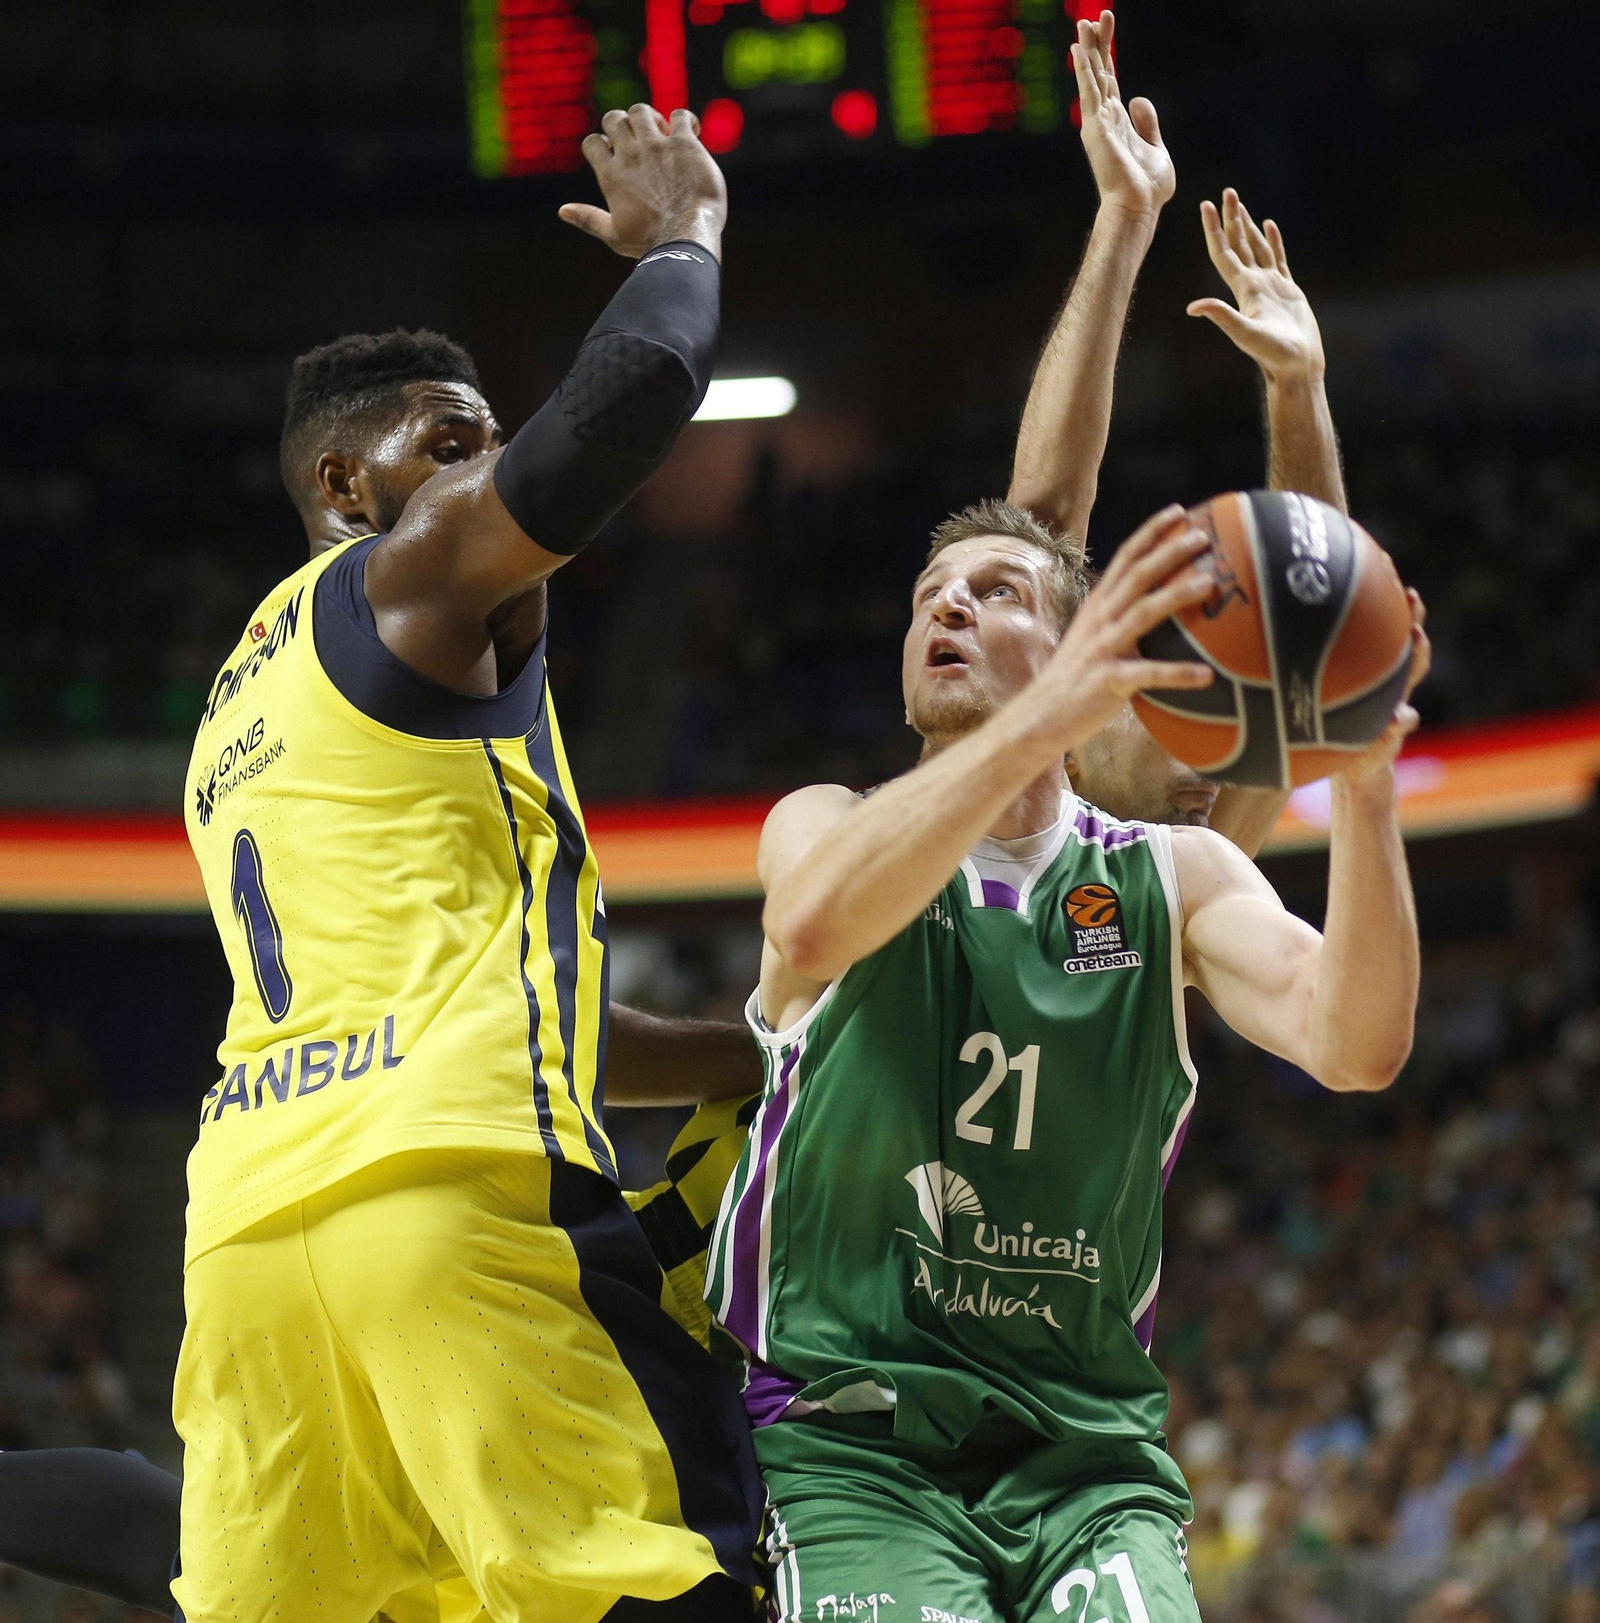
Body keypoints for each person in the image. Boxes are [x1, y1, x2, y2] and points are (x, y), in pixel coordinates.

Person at [174, 103, 764, 1623]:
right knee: (668, 1586)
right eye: (450, 440)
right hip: (443, 1207)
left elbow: (500, 1003)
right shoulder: (411, 574)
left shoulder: (239, 709)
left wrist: (745, 1057)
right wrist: (686, 231)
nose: (485, 469)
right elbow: (638, 390)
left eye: (484, 441)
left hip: (248, 1250)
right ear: (345, 488)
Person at [708, 496, 1425, 1623]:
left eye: (998, 591)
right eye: (929, 596)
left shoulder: (1174, 874)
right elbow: (812, 928)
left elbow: (1357, 1044)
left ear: (1079, 649)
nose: (946, 602)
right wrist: (1039, 721)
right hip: (851, 1445)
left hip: (1083, 1461)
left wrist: (1368, 783)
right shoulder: (825, 821)